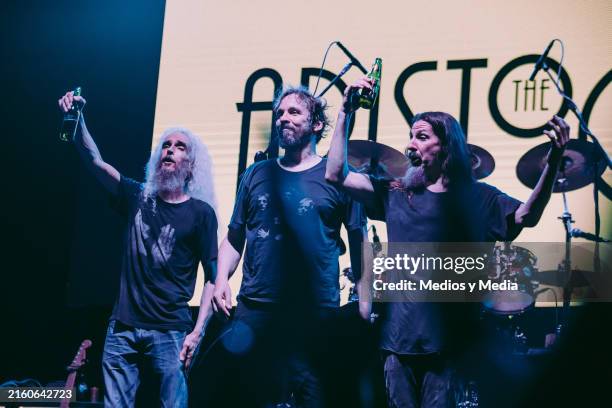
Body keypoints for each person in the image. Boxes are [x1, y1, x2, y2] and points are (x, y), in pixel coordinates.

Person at [325, 77, 570, 408]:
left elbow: (527, 216)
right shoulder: (397, 193)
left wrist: (555, 157)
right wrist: (344, 112)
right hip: (398, 342)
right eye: (411, 136)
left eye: (422, 137)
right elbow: (335, 174)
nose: (412, 143)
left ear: (446, 146)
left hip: (447, 347)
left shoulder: (477, 199)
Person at [58, 91, 219, 407]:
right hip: (123, 329)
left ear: (191, 164)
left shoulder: (201, 213)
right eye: (166, 146)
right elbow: (94, 161)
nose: (170, 150)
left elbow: (213, 278)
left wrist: (198, 331)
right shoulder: (137, 196)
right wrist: (78, 119)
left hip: (172, 332)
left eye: (179, 146)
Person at [210, 86, 367, 407]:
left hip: (314, 311)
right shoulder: (256, 174)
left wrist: (366, 299)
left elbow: (359, 241)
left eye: (294, 112)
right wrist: (221, 278)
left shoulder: (338, 179)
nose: (283, 118)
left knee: (314, 397)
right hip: (256, 308)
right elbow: (235, 236)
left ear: (316, 125)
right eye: (279, 113)